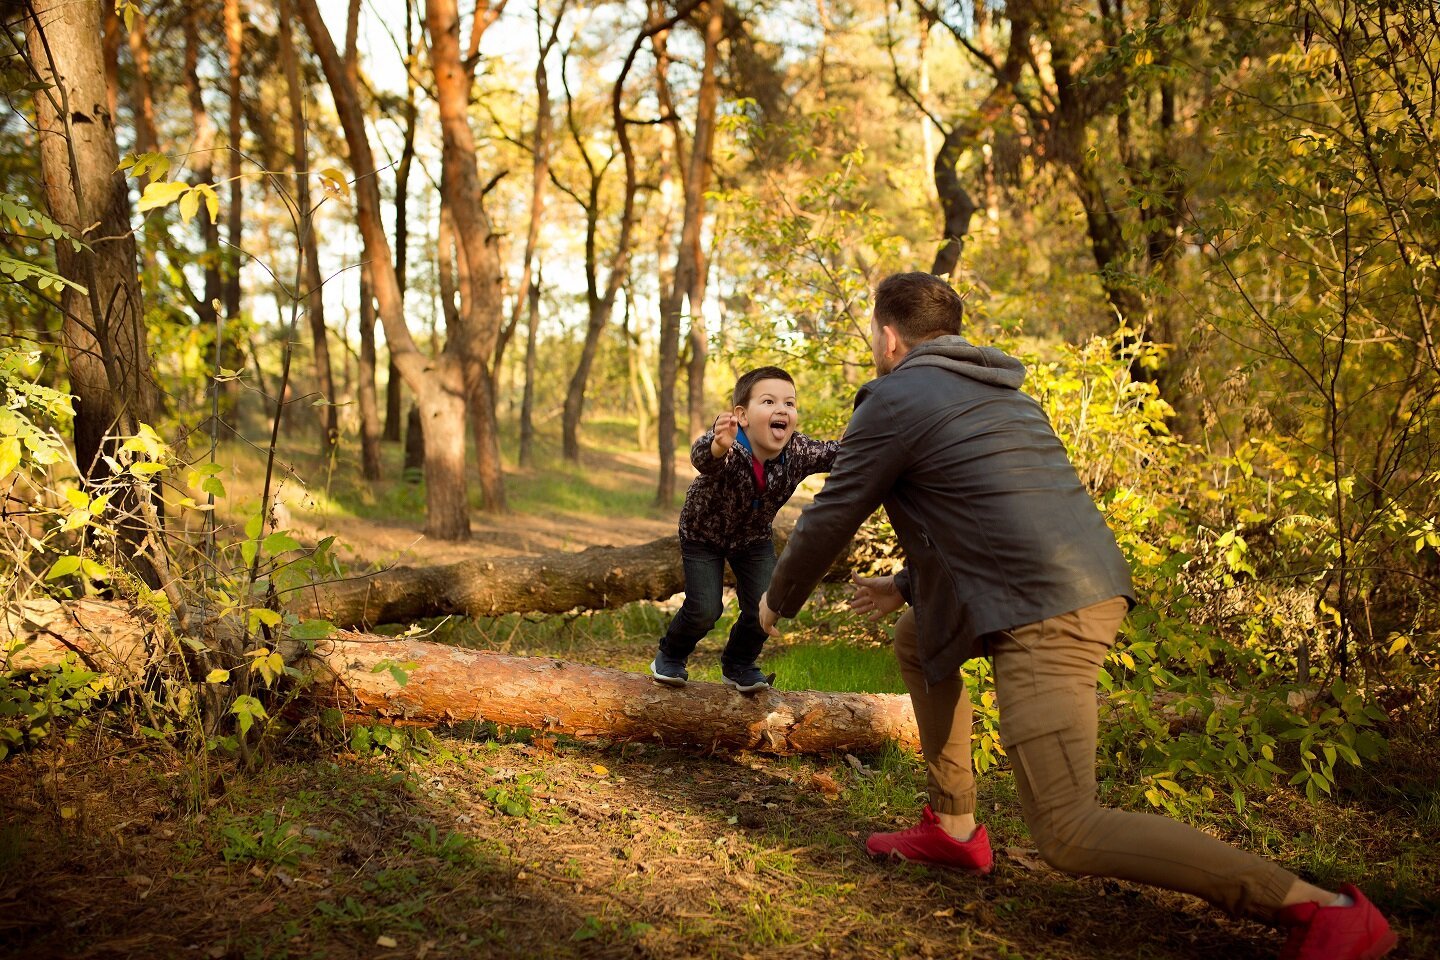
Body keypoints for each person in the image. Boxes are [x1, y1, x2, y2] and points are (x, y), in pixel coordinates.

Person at [758, 272, 1396, 960]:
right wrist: (908, 584)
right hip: (1070, 585)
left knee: (1067, 830)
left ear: (888, 336)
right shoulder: (1006, 396)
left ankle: (1322, 911)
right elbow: (992, 516)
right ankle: (953, 827)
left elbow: (832, 514)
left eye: (875, 335)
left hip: (1047, 613)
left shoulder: (896, 395)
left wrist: (774, 600)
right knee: (920, 637)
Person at [650, 365, 839, 694]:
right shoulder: (730, 446)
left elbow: (838, 454)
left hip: (752, 538)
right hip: (703, 535)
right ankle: (670, 655)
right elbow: (703, 457)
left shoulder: (797, 451)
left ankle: (739, 664)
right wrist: (718, 444)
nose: (781, 409)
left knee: (767, 605)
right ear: (743, 415)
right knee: (706, 609)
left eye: (789, 404)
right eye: (768, 402)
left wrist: (878, 436)